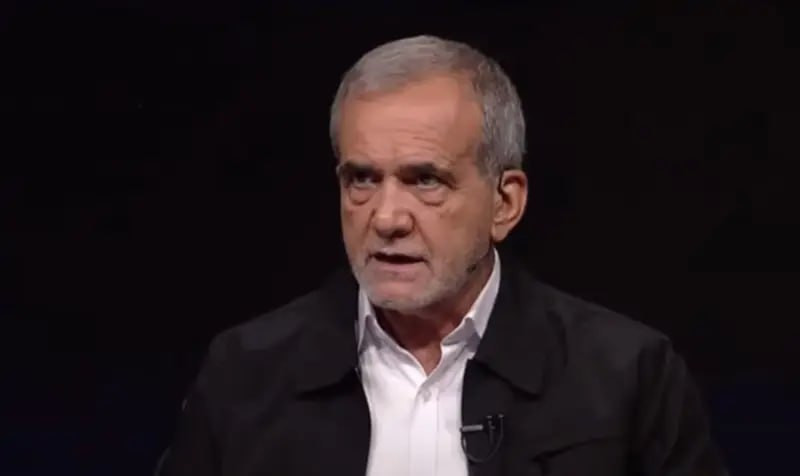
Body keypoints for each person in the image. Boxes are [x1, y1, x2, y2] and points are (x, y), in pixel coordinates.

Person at [158, 35, 726, 476]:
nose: (386, 218)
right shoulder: (246, 374)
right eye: (362, 179)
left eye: (425, 180)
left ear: (505, 203)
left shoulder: (628, 377)